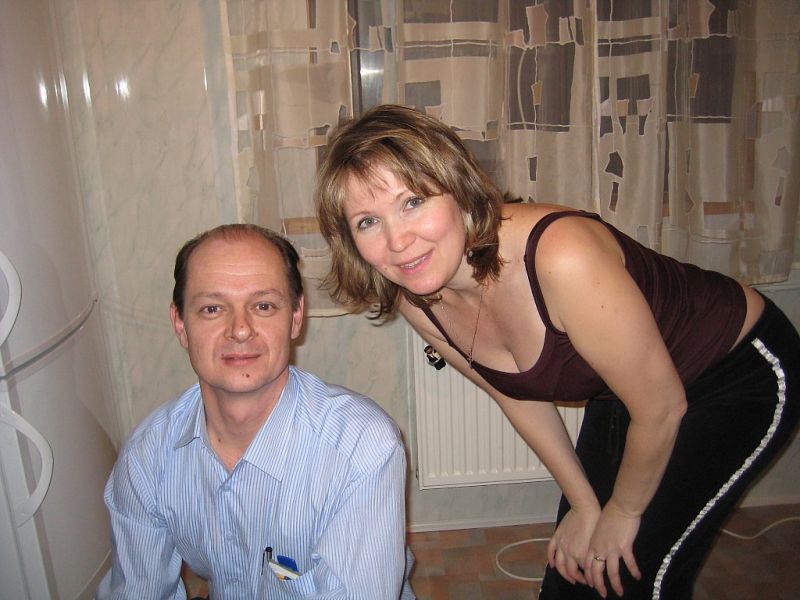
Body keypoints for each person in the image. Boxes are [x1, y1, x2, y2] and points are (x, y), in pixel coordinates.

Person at [314, 104, 800, 599]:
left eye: (413, 201)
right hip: (632, 390)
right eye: (367, 221)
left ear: (459, 188)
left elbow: (660, 408)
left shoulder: (561, 255)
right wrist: (584, 507)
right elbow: (514, 394)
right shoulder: (417, 298)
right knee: (575, 569)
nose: (398, 241)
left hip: (739, 372)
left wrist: (622, 512)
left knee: (633, 569)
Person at [97, 224, 415, 600]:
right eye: (212, 308)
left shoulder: (361, 449)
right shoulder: (146, 457)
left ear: (295, 317)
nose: (240, 330)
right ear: (180, 324)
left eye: (263, 306)